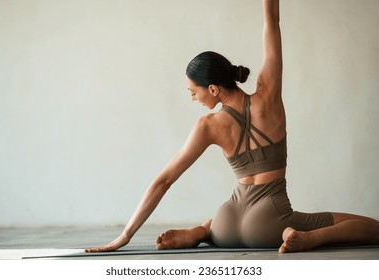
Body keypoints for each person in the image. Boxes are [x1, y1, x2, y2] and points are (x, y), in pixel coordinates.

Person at [86, 0, 379, 254]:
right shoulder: (269, 96)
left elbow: (163, 181)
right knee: (370, 228)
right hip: (269, 222)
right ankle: (305, 238)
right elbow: (271, 21)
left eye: (193, 91)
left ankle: (202, 231)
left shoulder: (207, 125)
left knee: (215, 225)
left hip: (226, 222)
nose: (192, 97)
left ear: (213, 89)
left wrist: (124, 236)